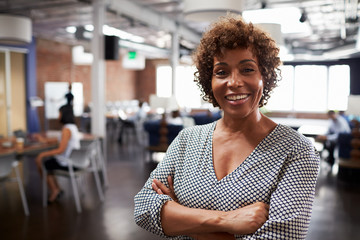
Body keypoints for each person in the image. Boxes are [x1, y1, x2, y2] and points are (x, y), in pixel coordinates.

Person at [134, 14, 320, 240]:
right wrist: (227, 221)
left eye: (247, 69)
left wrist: (181, 215)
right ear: (209, 81)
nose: (233, 82)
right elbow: (143, 208)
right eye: (221, 72)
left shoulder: (296, 150)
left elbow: (280, 238)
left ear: (266, 76)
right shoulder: (187, 140)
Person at [35, 104, 80, 203]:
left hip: (68, 163)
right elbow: (61, 140)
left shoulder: (66, 129)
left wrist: (42, 154)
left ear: (63, 114)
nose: (58, 116)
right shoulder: (72, 127)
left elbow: (61, 150)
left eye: (59, 113)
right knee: (50, 163)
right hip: (77, 162)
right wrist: (45, 140)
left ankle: (54, 190)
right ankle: (57, 188)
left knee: (42, 163)